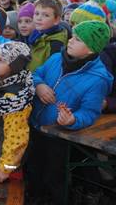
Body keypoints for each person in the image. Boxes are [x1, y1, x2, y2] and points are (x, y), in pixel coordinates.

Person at [28, 21, 113, 205]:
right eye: (72, 36)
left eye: (78, 39)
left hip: (58, 136)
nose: (71, 41)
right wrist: (39, 85)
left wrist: (73, 119)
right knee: (32, 169)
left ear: (91, 49)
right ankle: (35, 198)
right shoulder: (56, 58)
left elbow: (90, 113)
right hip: (34, 124)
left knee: (54, 177)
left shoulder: (98, 79)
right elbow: (36, 73)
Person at [0, 41, 33, 183]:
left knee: (4, 194)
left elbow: (17, 138)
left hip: (3, 164)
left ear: (14, 67)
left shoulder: (14, 99)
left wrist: (6, 167)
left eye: (1, 60)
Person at [27, 0, 68, 72]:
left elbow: (53, 71)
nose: (39, 18)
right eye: (36, 13)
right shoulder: (36, 34)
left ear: (56, 20)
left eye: (45, 15)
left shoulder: (56, 43)